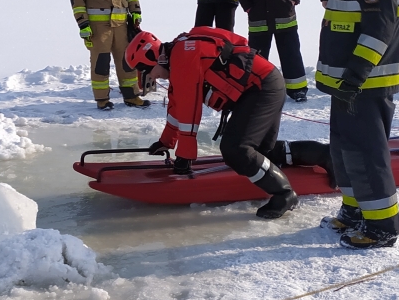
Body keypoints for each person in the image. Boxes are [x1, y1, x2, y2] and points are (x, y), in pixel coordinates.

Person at [125, 28, 302, 219]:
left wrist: (185, 156)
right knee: (261, 153)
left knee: (236, 151)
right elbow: (177, 105)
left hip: (262, 88)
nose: (153, 77)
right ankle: (324, 156)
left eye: (148, 71)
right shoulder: (179, 53)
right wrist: (166, 142)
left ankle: (284, 194)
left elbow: (189, 110)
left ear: (155, 58)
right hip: (263, 85)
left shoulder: (183, 56)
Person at [317, 0, 399, 249]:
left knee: (367, 153)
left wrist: (355, 75)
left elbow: (379, 27)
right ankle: (355, 210)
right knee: (345, 150)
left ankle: (381, 225)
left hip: (364, 83)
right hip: (348, 82)